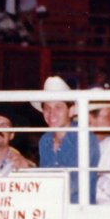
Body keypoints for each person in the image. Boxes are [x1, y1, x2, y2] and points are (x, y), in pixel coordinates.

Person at [34, 76, 100, 204]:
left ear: (71, 111)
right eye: (47, 108)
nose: (51, 113)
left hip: (79, 214)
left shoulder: (85, 139)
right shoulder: (44, 140)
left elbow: (74, 186)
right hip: (52, 210)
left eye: (58, 107)